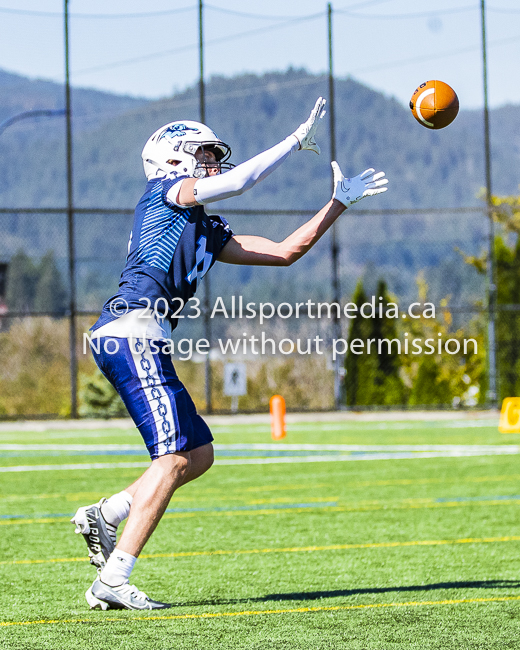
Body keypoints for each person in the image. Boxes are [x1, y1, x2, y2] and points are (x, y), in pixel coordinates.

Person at [71, 97, 388, 610]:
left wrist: (338, 203)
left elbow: (285, 253)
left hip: (142, 335)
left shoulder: (202, 225)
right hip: (132, 330)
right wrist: (292, 142)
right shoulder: (167, 193)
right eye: (204, 154)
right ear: (174, 159)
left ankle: (105, 515)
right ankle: (113, 577)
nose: (214, 164)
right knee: (172, 457)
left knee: (198, 455)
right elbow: (241, 182)